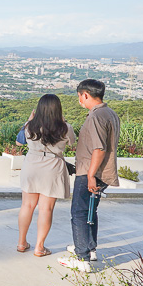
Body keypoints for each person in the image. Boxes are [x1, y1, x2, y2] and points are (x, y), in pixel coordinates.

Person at [59, 79, 120, 273]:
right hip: (102, 171)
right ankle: (89, 248)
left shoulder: (96, 117)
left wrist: (91, 175)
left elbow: (99, 149)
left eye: (79, 96)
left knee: (78, 212)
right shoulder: (110, 113)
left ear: (85, 94)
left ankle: (82, 257)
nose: (79, 100)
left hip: (89, 172)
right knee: (90, 212)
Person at [16, 94, 75, 257]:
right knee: (46, 209)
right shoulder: (65, 127)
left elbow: (19, 142)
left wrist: (27, 121)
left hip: (32, 165)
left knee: (27, 206)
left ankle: (22, 243)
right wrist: (63, 122)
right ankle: (39, 247)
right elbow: (72, 142)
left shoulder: (29, 125)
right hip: (53, 167)